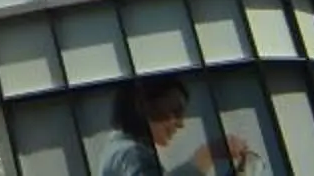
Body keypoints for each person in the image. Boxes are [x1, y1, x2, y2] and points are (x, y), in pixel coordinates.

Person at [101, 75, 261, 175]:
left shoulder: (122, 151)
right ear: (143, 106)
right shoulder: (129, 154)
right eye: (174, 111)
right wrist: (207, 155)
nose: (180, 124)